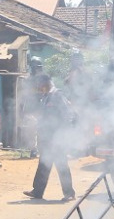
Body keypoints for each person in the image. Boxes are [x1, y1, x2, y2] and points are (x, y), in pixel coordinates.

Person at [23, 74, 77, 202]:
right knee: (44, 164)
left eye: (40, 84)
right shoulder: (45, 97)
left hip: (57, 138)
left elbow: (68, 115)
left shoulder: (58, 95)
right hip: (47, 138)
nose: (39, 87)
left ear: (46, 83)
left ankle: (69, 193)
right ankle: (37, 191)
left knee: (61, 164)